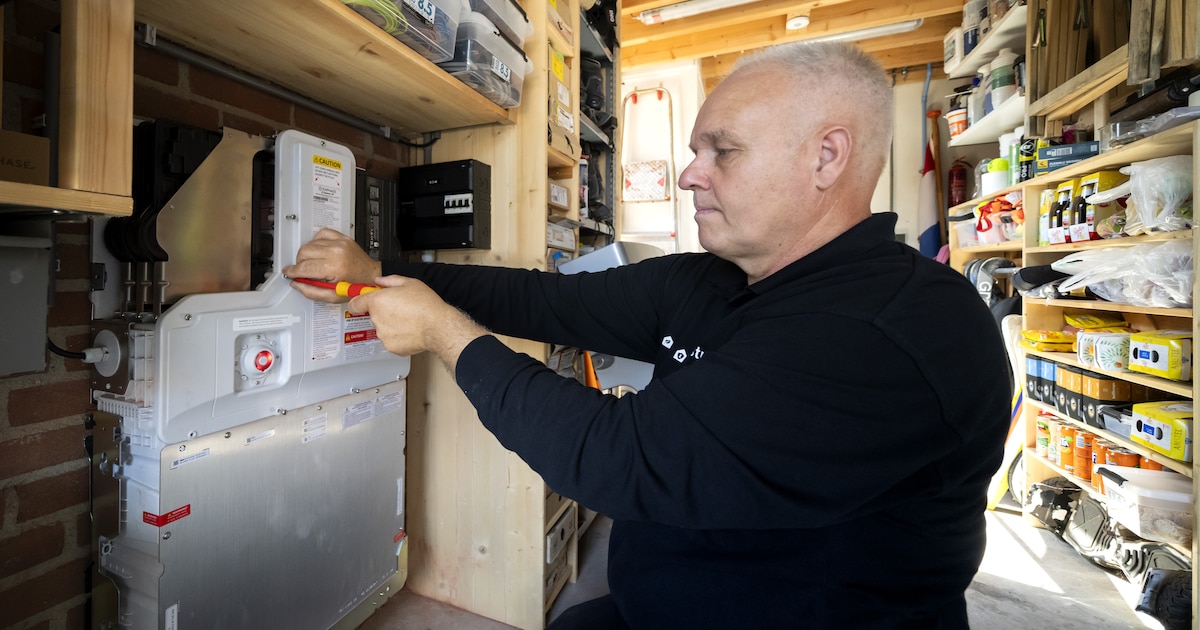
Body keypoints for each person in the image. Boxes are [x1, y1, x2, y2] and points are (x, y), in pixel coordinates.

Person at [285, 40, 1010, 629]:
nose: (691, 174)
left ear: (826, 157)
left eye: (722, 150)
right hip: (653, 605)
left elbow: (616, 458)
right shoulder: (707, 278)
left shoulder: (899, 331)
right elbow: (541, 301)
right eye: (696, 149)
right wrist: (380, 268)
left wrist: (445, 334)